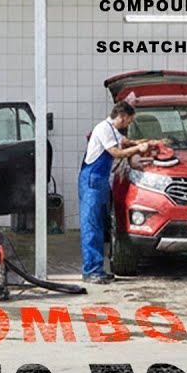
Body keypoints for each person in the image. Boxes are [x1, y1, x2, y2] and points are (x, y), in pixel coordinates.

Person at [78, 101, 152, 284]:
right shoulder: (103, 128)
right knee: (92, 226)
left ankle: (97, 268)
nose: (128, 125)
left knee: (100, 226)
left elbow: (124, 142)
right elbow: (116, 152)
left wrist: (144, 142)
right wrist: (138, 149)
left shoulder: (113, 130)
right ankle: (91, 271)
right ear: (122, 117)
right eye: (129, 121)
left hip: (100, 181)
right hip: (92, 180)